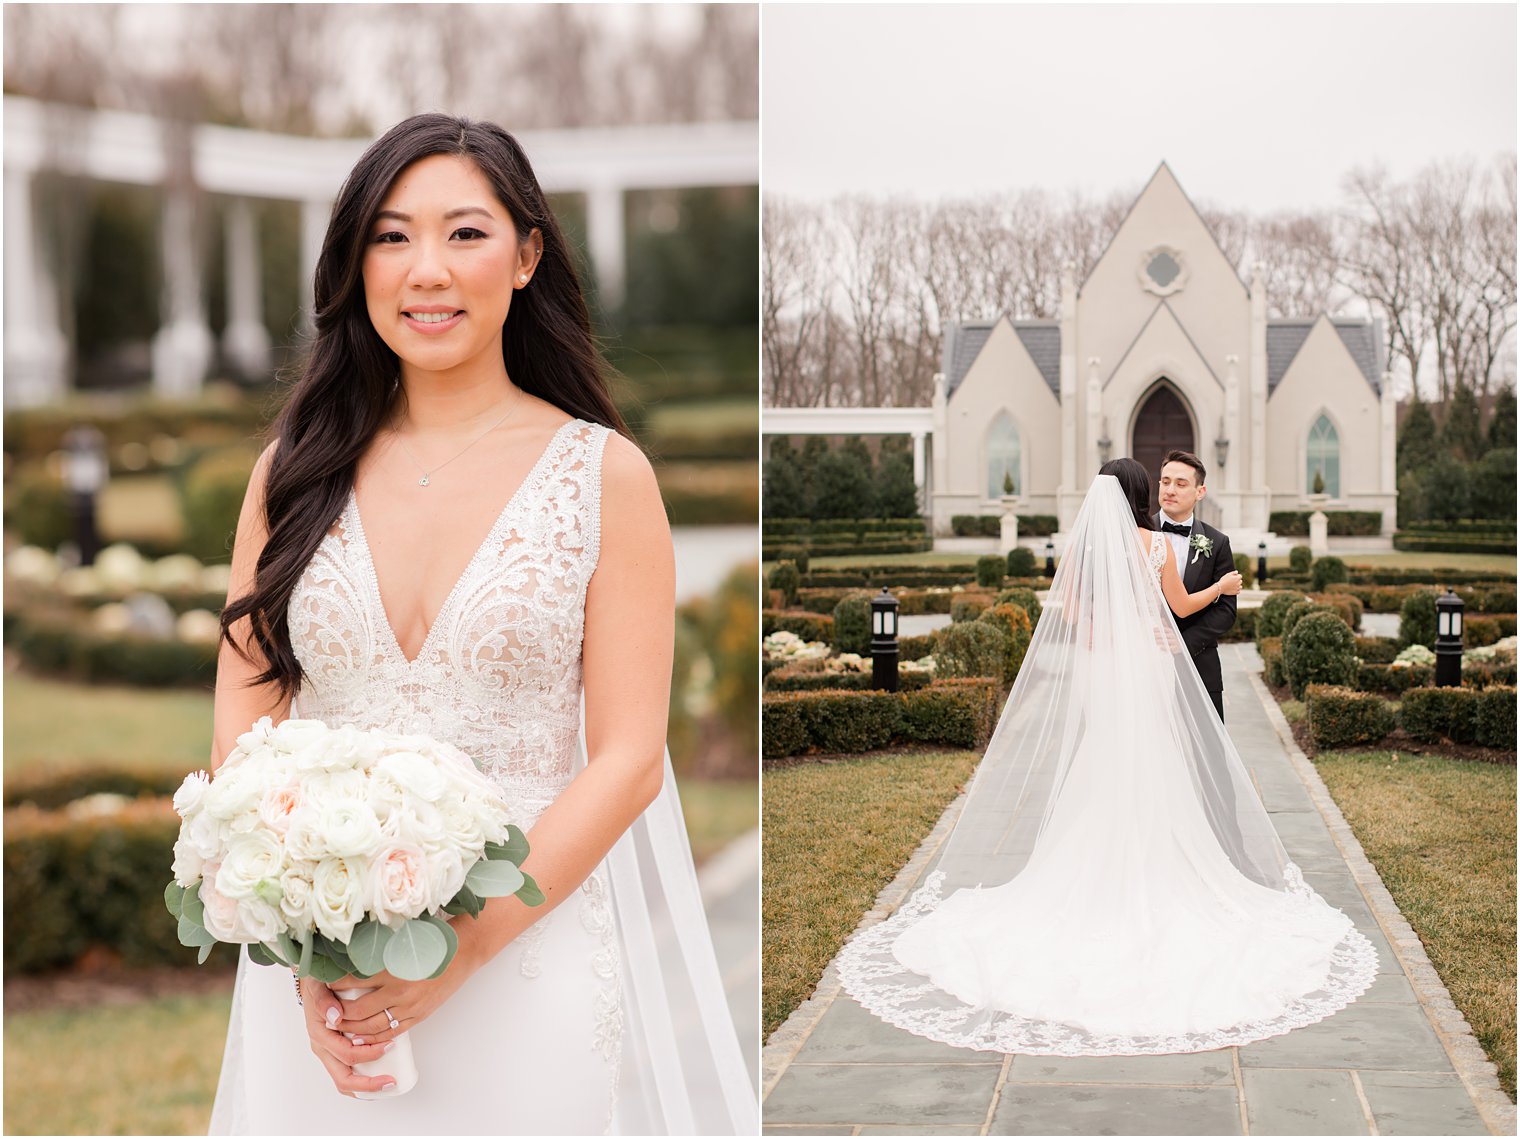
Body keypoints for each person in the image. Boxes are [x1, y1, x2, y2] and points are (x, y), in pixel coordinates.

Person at [206, 114, 754, 1135]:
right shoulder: (289, 476)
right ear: (355, 263)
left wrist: (465, 946)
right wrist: (302, 961)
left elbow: (630, 756)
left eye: (464, 233)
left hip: (523, 953)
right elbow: (242, 735)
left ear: (525, 255)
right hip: (323, 983)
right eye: (390, 235)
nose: (427, 270)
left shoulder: (602, 476)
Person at [836, 458, 1376, 1057]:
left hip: (1102, 669)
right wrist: (1222, 588)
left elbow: (1064, 607)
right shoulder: (1156, 548)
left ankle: (1087, 869)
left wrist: (1099, 630)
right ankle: (1159, 864)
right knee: (1153, 758)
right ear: (1143, 494)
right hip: (1144, 669)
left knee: (1100, 758)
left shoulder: (1087, 552)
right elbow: (1183, 609)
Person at [1155, 449, 1236, 721]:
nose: (1170, 490)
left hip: (1200, 664)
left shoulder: (1218, 542)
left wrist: (1184, 643)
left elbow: (1226, 610)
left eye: (1180, 484)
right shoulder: (1137, 534)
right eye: (1165, 482)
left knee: (1209, 758)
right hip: (1145, 664)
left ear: (1200, 492)